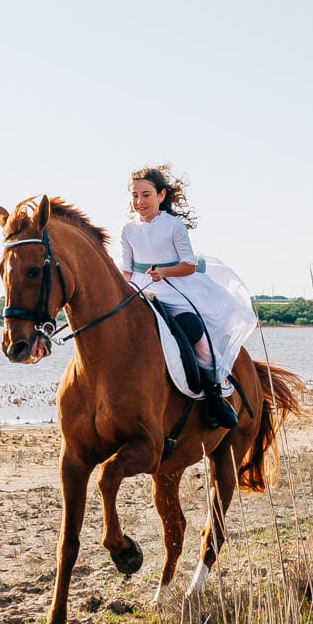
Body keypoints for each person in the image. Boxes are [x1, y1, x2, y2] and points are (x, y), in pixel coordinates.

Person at [117, 165, 258, 429]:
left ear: (161, 195)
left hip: (175, 286)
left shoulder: (173, 225)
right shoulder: (127, 229)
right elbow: (126, 269)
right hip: (139, 288)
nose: (139, 202)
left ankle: (215, 390)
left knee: (195, 331)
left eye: (146, 195)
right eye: (135, 196)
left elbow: (189, 265)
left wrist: (164, 272)